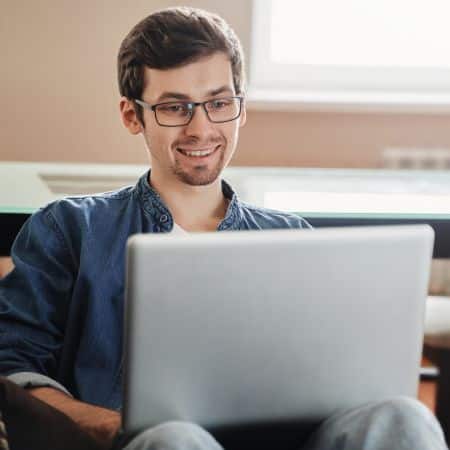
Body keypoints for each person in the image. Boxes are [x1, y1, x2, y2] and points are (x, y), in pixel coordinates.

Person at [0, 6, 447, 450]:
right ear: (132, 115)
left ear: (241, 108)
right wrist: (115, 427)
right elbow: (12, 371)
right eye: (176, 107)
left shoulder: (292, 239)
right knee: (177, 440)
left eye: (218, 103)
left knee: (404, 416)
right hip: (149, 444)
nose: (202, 128)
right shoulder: (71, 229)